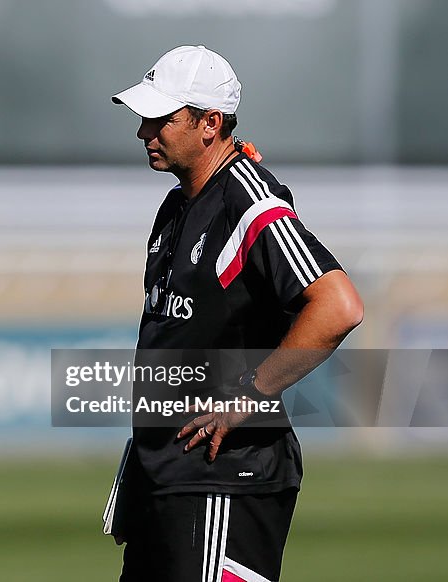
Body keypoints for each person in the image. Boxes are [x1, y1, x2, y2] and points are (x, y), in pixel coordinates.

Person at [109, 46, 363, 581]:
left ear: (210, 124)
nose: (143, 133)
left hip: (226, 478)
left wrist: (249, 395)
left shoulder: (249, 199)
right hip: (172, 478)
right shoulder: (178, 205)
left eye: (160, 119)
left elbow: (337, 305)